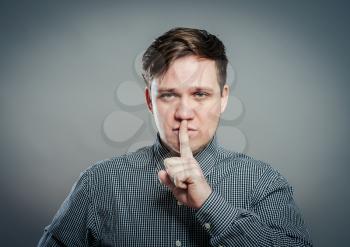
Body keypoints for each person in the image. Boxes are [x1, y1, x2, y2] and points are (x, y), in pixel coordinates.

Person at [38, 27, 313, 246]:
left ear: (223, 99)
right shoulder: (100, 183)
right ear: (149, 100)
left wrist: (209, 203)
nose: (184, 112)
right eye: (169, 95)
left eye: (200, 94)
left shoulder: (263, 183)